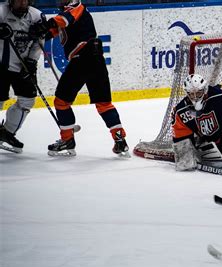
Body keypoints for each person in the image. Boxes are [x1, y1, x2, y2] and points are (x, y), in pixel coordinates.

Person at [28, 0, 128, 157]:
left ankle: (67, 139)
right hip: (97, 59)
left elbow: (62, 20)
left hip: (82, 59)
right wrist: (39, 33)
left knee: (61, 102)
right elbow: (53, 31)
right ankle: (120, 139)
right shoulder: (66, 15)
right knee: (104, 104)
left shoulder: (77, 8)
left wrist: (45, 25)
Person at [0, 0, 44, 153]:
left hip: (23, 66)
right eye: (18, 0)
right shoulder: (1, 12)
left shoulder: (37, 16)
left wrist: (32, 60)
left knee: (27, 100)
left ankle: (7, 132)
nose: (22, 3)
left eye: (25, 0)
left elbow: (40, 41)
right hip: (0, 66)